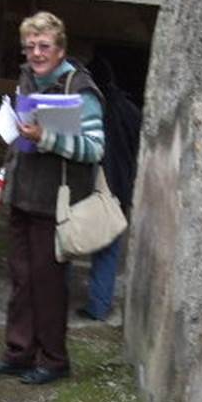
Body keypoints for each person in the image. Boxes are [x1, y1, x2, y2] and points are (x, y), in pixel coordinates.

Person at [0, 11, 105, 385]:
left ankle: (53, 360)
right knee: (20, 280)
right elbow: (19, 140)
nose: (36, 52)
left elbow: (96, 148)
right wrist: (0, 181)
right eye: (30, 46)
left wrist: (46, 138)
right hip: (23, 195)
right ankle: (19, 353)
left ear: (60, 48)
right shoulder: (28, 80)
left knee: (48, 285)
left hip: (56, 203)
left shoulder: (80, 89)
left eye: (43, 45)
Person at [77, 56, 142, 321]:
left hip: (88, 185)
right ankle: (99, 305)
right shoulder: (131, 111)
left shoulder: (88, 107)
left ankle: (58, 296)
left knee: (70, 239)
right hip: (120, 189)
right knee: (109, 249)